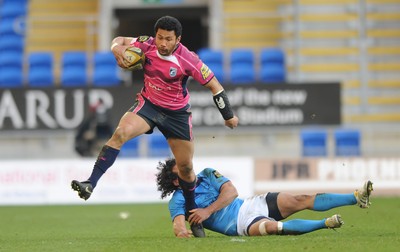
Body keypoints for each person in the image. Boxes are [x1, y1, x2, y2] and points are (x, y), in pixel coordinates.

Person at [71, 16, 239, 237]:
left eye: (168, 39)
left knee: (186, 168)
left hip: (177, 115)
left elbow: (215, 86)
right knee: (120, 133)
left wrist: (228, 115)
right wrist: (116, 50)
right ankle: (90, 182)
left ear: (178, 39)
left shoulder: (188, 59)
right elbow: (118, 40)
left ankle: (192, 212)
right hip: (148, 106)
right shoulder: (146, 44)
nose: (162, 43)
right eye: (160, 37)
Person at [155, 158, 374, 238]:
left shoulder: (208, 174)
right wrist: (183, 232)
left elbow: (231, 192)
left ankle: (356, 197)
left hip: (252, 204)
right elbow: (178, 225)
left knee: (301, 199)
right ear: (176, 181)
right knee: (273, 228)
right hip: (241, 225)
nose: (190, 170)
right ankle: (324, 224)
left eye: (188, 166)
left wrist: (207, 212)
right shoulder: (178, 200)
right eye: (184, 170)